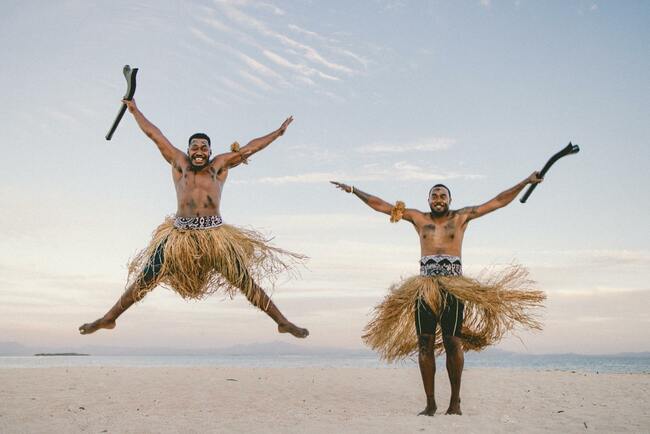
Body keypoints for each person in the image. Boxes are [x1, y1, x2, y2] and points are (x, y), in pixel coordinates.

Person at [79, 99, 308, 339]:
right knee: (147, 277)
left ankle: (282, 322)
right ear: (188, 151)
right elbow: (154, 134)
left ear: (210, 151)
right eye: (195, 147)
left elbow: (252, 147)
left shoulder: (219, 165)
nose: (199, 151)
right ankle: (109, 318)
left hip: (214, 236)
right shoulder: (180, 163)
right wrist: (135, 111)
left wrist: (278, 133)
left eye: (204, 147)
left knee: (245, 282)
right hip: (180, 235)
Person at [331, 174, 545, 415]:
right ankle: (430, 403)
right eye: (434, 195)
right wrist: (354, 190)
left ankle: (455, 402)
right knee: (425, 344)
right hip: (424, 288)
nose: (438, 199)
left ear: (450, 199)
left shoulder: (462, 216)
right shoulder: (418, 218)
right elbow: (383, 206)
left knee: (453, 343)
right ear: (429, 200)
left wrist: (525, 182)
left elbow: (497, 201)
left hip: (454, 287)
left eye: (443, 195)